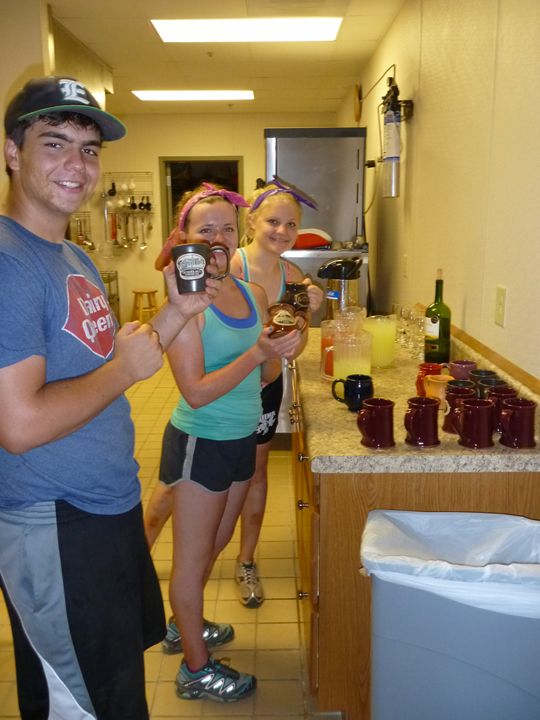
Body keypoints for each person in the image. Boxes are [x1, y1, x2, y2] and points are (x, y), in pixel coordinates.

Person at [0, 77, 221, 720]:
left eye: (90, 149)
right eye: (55, 142)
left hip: (104, 512)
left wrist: (177, 315)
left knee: (117, 691)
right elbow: (17, 423)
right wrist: (124, 369)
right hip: (54, 524)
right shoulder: (9, 262)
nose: (78, 164)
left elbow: (104, 366)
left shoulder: (70, 254)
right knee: (83, 705)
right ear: (12, 152)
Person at [151, 184, 302, 702]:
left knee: (214, 544)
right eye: (205, 229)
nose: (218, 239)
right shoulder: (187, 305)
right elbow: (194, 393)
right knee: (191, 562)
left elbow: (263, 378)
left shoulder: (252, 294)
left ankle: (182, 625)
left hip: (241, 435)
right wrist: (258, 349)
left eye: (226, 229)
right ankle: (194, 669)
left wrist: (283, 347)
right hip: (199, 440)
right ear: (184, 238)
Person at [229, 178, 323, 607]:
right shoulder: (231, 266)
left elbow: (296, 347)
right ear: (251, 221)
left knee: (255, 472)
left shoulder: (293, 277)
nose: (282, 231)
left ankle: (245, 560)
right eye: (272, 221)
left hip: (266, 387)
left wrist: (307, 315)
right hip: (224, 386)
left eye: (291, 224)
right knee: (187, 482)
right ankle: (146, 548)